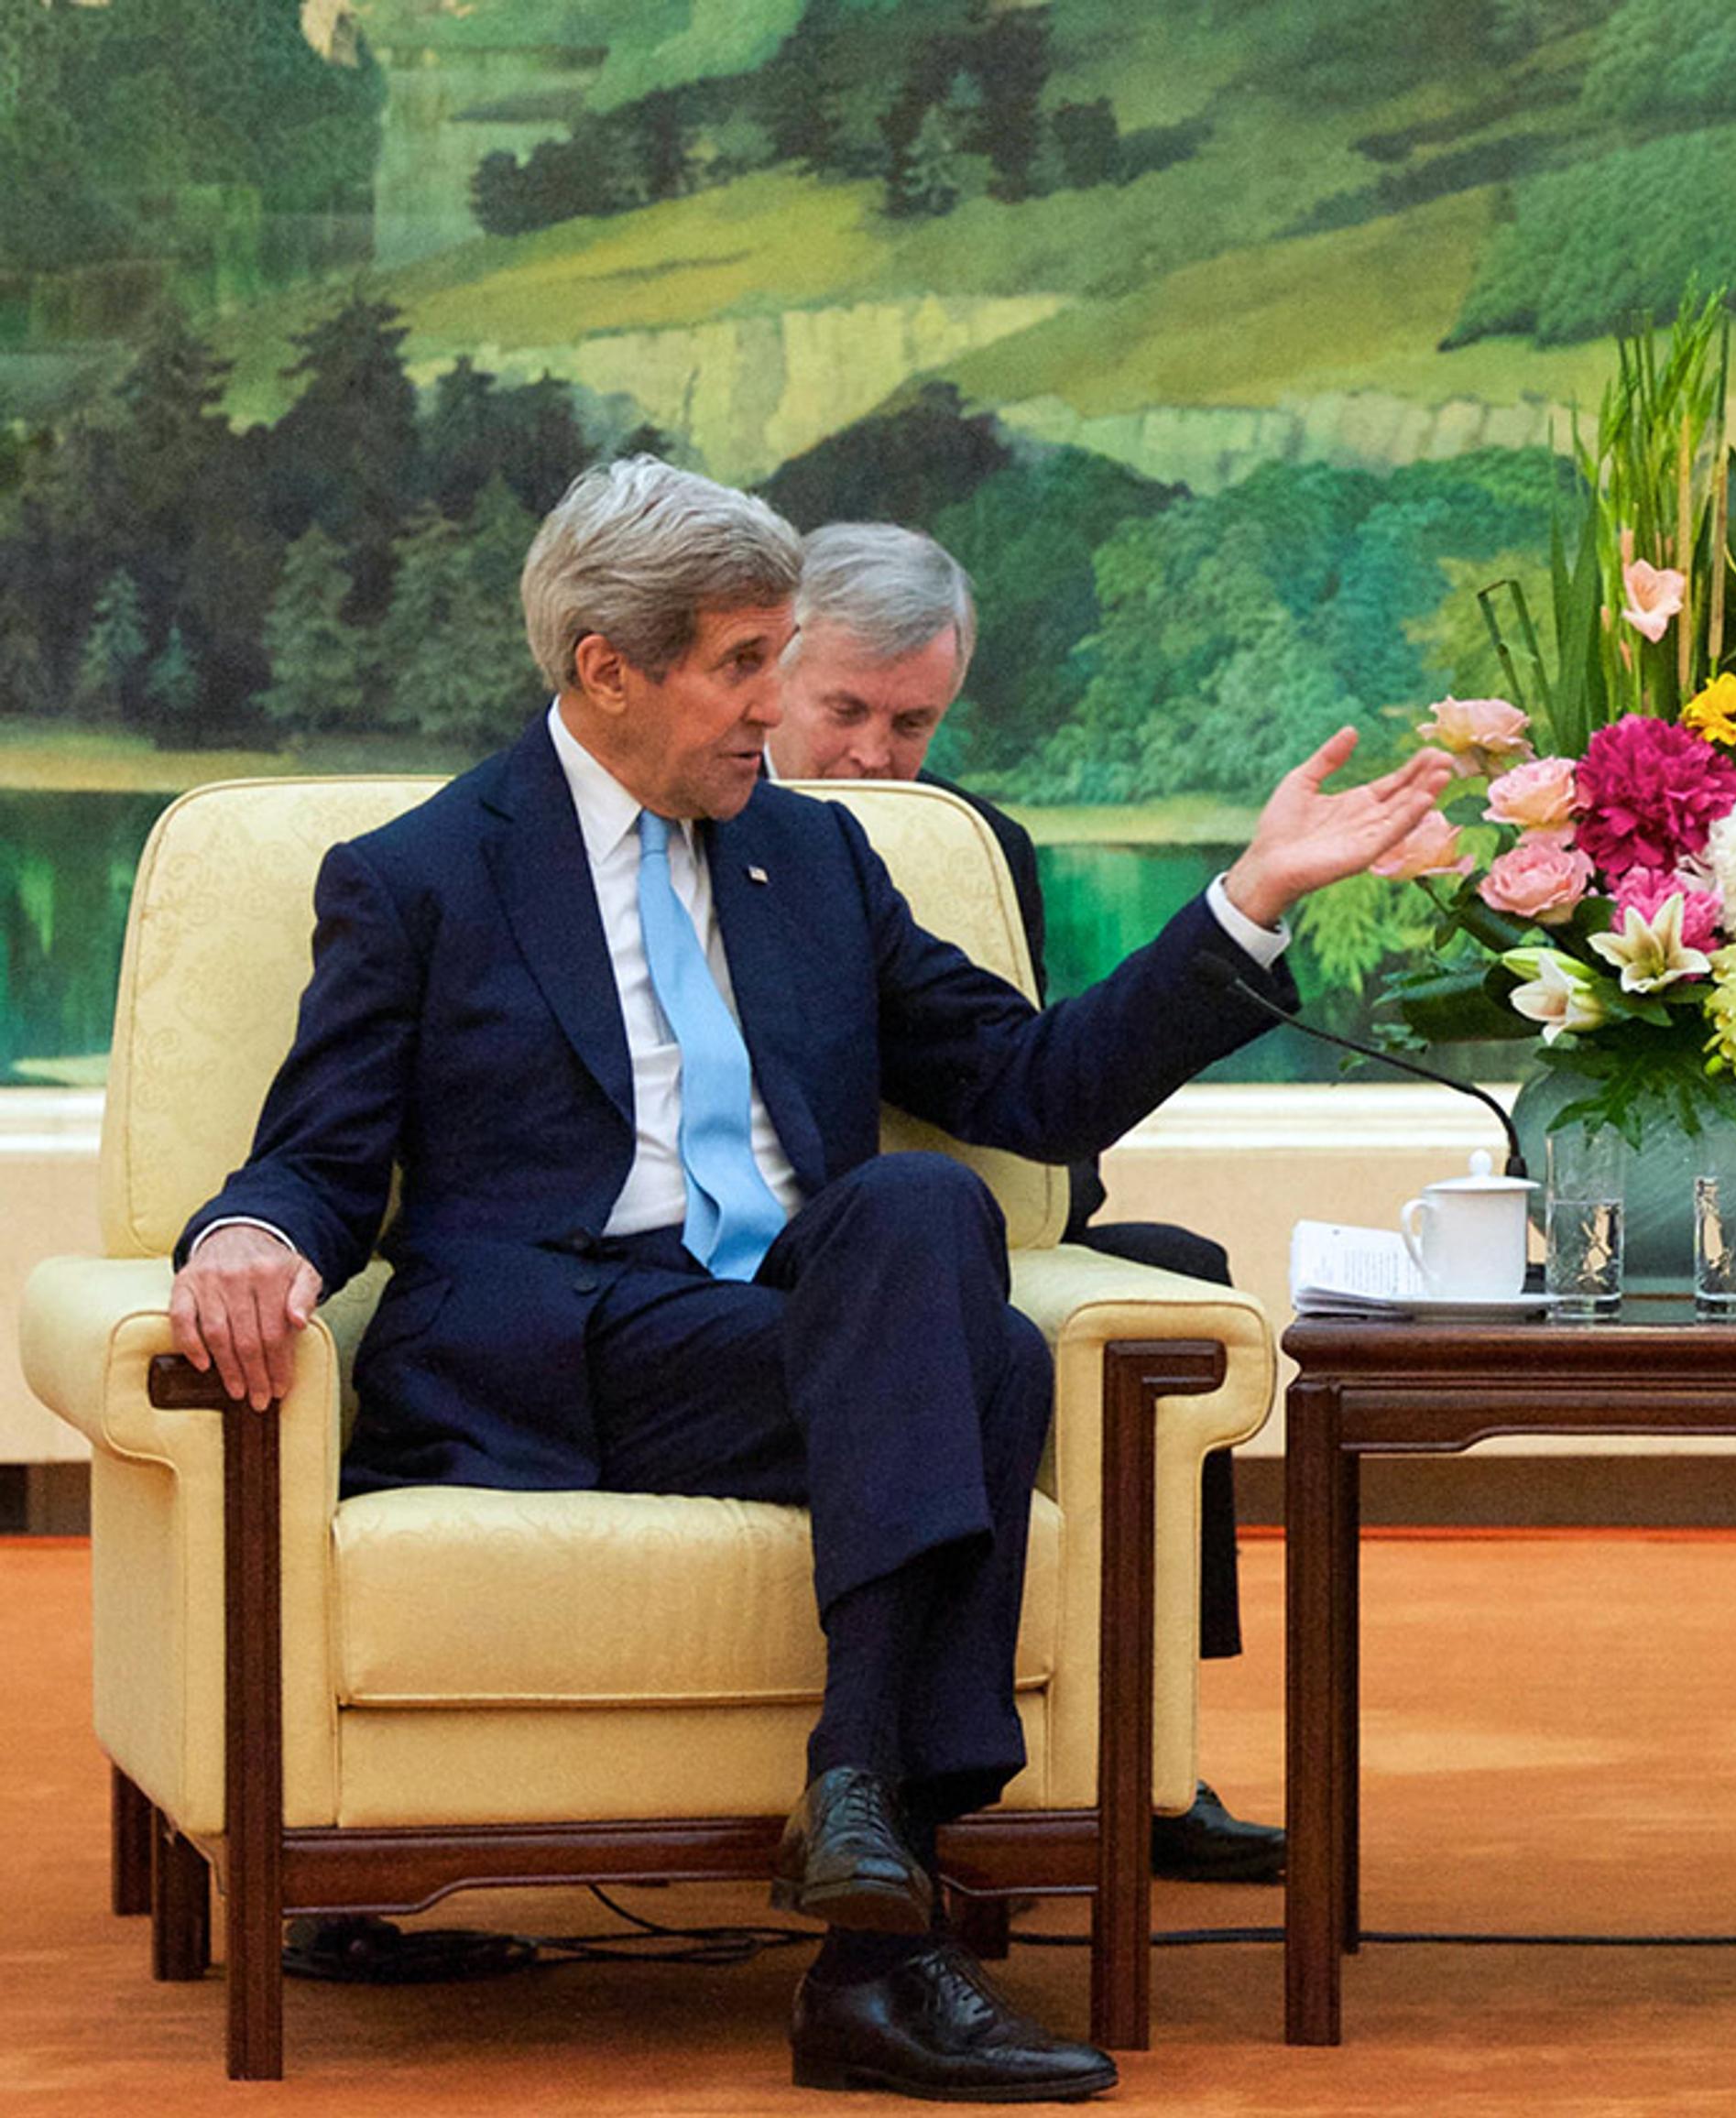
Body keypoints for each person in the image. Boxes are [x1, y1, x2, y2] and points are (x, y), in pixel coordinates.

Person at [168, 457, 1455, 2102]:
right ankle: (876, 1936)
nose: (774, 711)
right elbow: (324, 1157)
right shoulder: (427, 874)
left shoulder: (818, 864)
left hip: (788, 1332)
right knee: (979, 1370)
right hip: (561, 1345)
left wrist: (1253, 897)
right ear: (607, 669)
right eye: (741, 666)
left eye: (785, 659)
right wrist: (247, 1239)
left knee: (923, 1224)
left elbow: (1037, 1087)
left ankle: (860, 1834)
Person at [766, 520, 1283, 1886]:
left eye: (912, 720)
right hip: (781, 1251)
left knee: (1169, 1275)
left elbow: (1032, 1093)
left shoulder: (971, 847)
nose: (875, 755)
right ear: (769, 671)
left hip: (958, 1225)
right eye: (846, 713)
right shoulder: (684, 832)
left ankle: (1144, 1745)